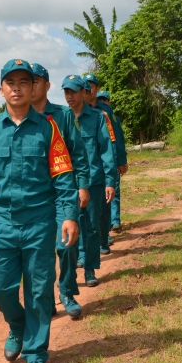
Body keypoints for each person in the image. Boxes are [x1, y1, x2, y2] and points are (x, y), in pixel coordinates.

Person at [0, 59, 79, 363]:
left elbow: (63, 176)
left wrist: (68, 215)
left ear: (33, 89)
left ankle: (36, 353)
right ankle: (17, 324)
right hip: (1, 224)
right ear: (1, 89)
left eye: (24, 83)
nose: (17, 88)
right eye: (10, 82)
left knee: (40, 290)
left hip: (39, 223)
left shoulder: (48, 128)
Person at [31, 63, 90, 319]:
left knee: (66, 246)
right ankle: (45, 299)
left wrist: (83, 186)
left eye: (36, 81)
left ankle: (66, 290)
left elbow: (78, 154)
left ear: (46, 85)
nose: (31, 86)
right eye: (27, 81)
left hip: (63, 192)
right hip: (35, 197)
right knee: (39, 253)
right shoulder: (19, 117)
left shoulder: (63, 116)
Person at [62, 75, 117, 288]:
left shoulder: (98, 117)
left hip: (93, 182)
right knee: (69, 226)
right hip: (67, 184)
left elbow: (106, 151)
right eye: (66, 92)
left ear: (84, 93)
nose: (70, 96)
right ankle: (72, 269)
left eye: (73, 92)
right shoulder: (60, 118)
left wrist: (110, 181)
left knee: (92, 226)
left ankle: (90, 268)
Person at [81, 73, 128, 255]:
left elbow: (114, 137)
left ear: (97, 88)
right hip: (85, 166)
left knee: (104, 203)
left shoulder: (104, 111)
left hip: (103, 163)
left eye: (91, 86)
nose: (87, 90)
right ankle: (87, 244)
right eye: (84, 87)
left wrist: (119, 160)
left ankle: (104, 236)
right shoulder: (75, 111)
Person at [97, 90, 122, 234]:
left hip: (112, 159)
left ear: (109, 102)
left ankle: (115, 221)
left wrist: (120, 160)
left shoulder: (114, 119)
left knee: (114, 190)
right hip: (99, 162)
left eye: (105, 100)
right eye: (100, 100)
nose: (102, 102)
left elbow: (118, 140)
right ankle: (105, 230)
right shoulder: (93, 117)